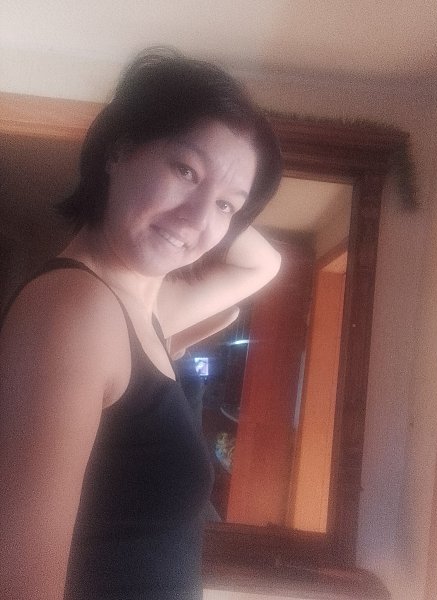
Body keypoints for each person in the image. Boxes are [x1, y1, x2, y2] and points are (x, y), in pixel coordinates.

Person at [0, 48, 282, 600]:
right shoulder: (77, 310)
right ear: (120, 149)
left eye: (227, 207)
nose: (197, 218)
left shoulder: (143, 310)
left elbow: (263, 264)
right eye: (184, 170)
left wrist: (216, 189)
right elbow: (18, 582)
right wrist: (218, 193)